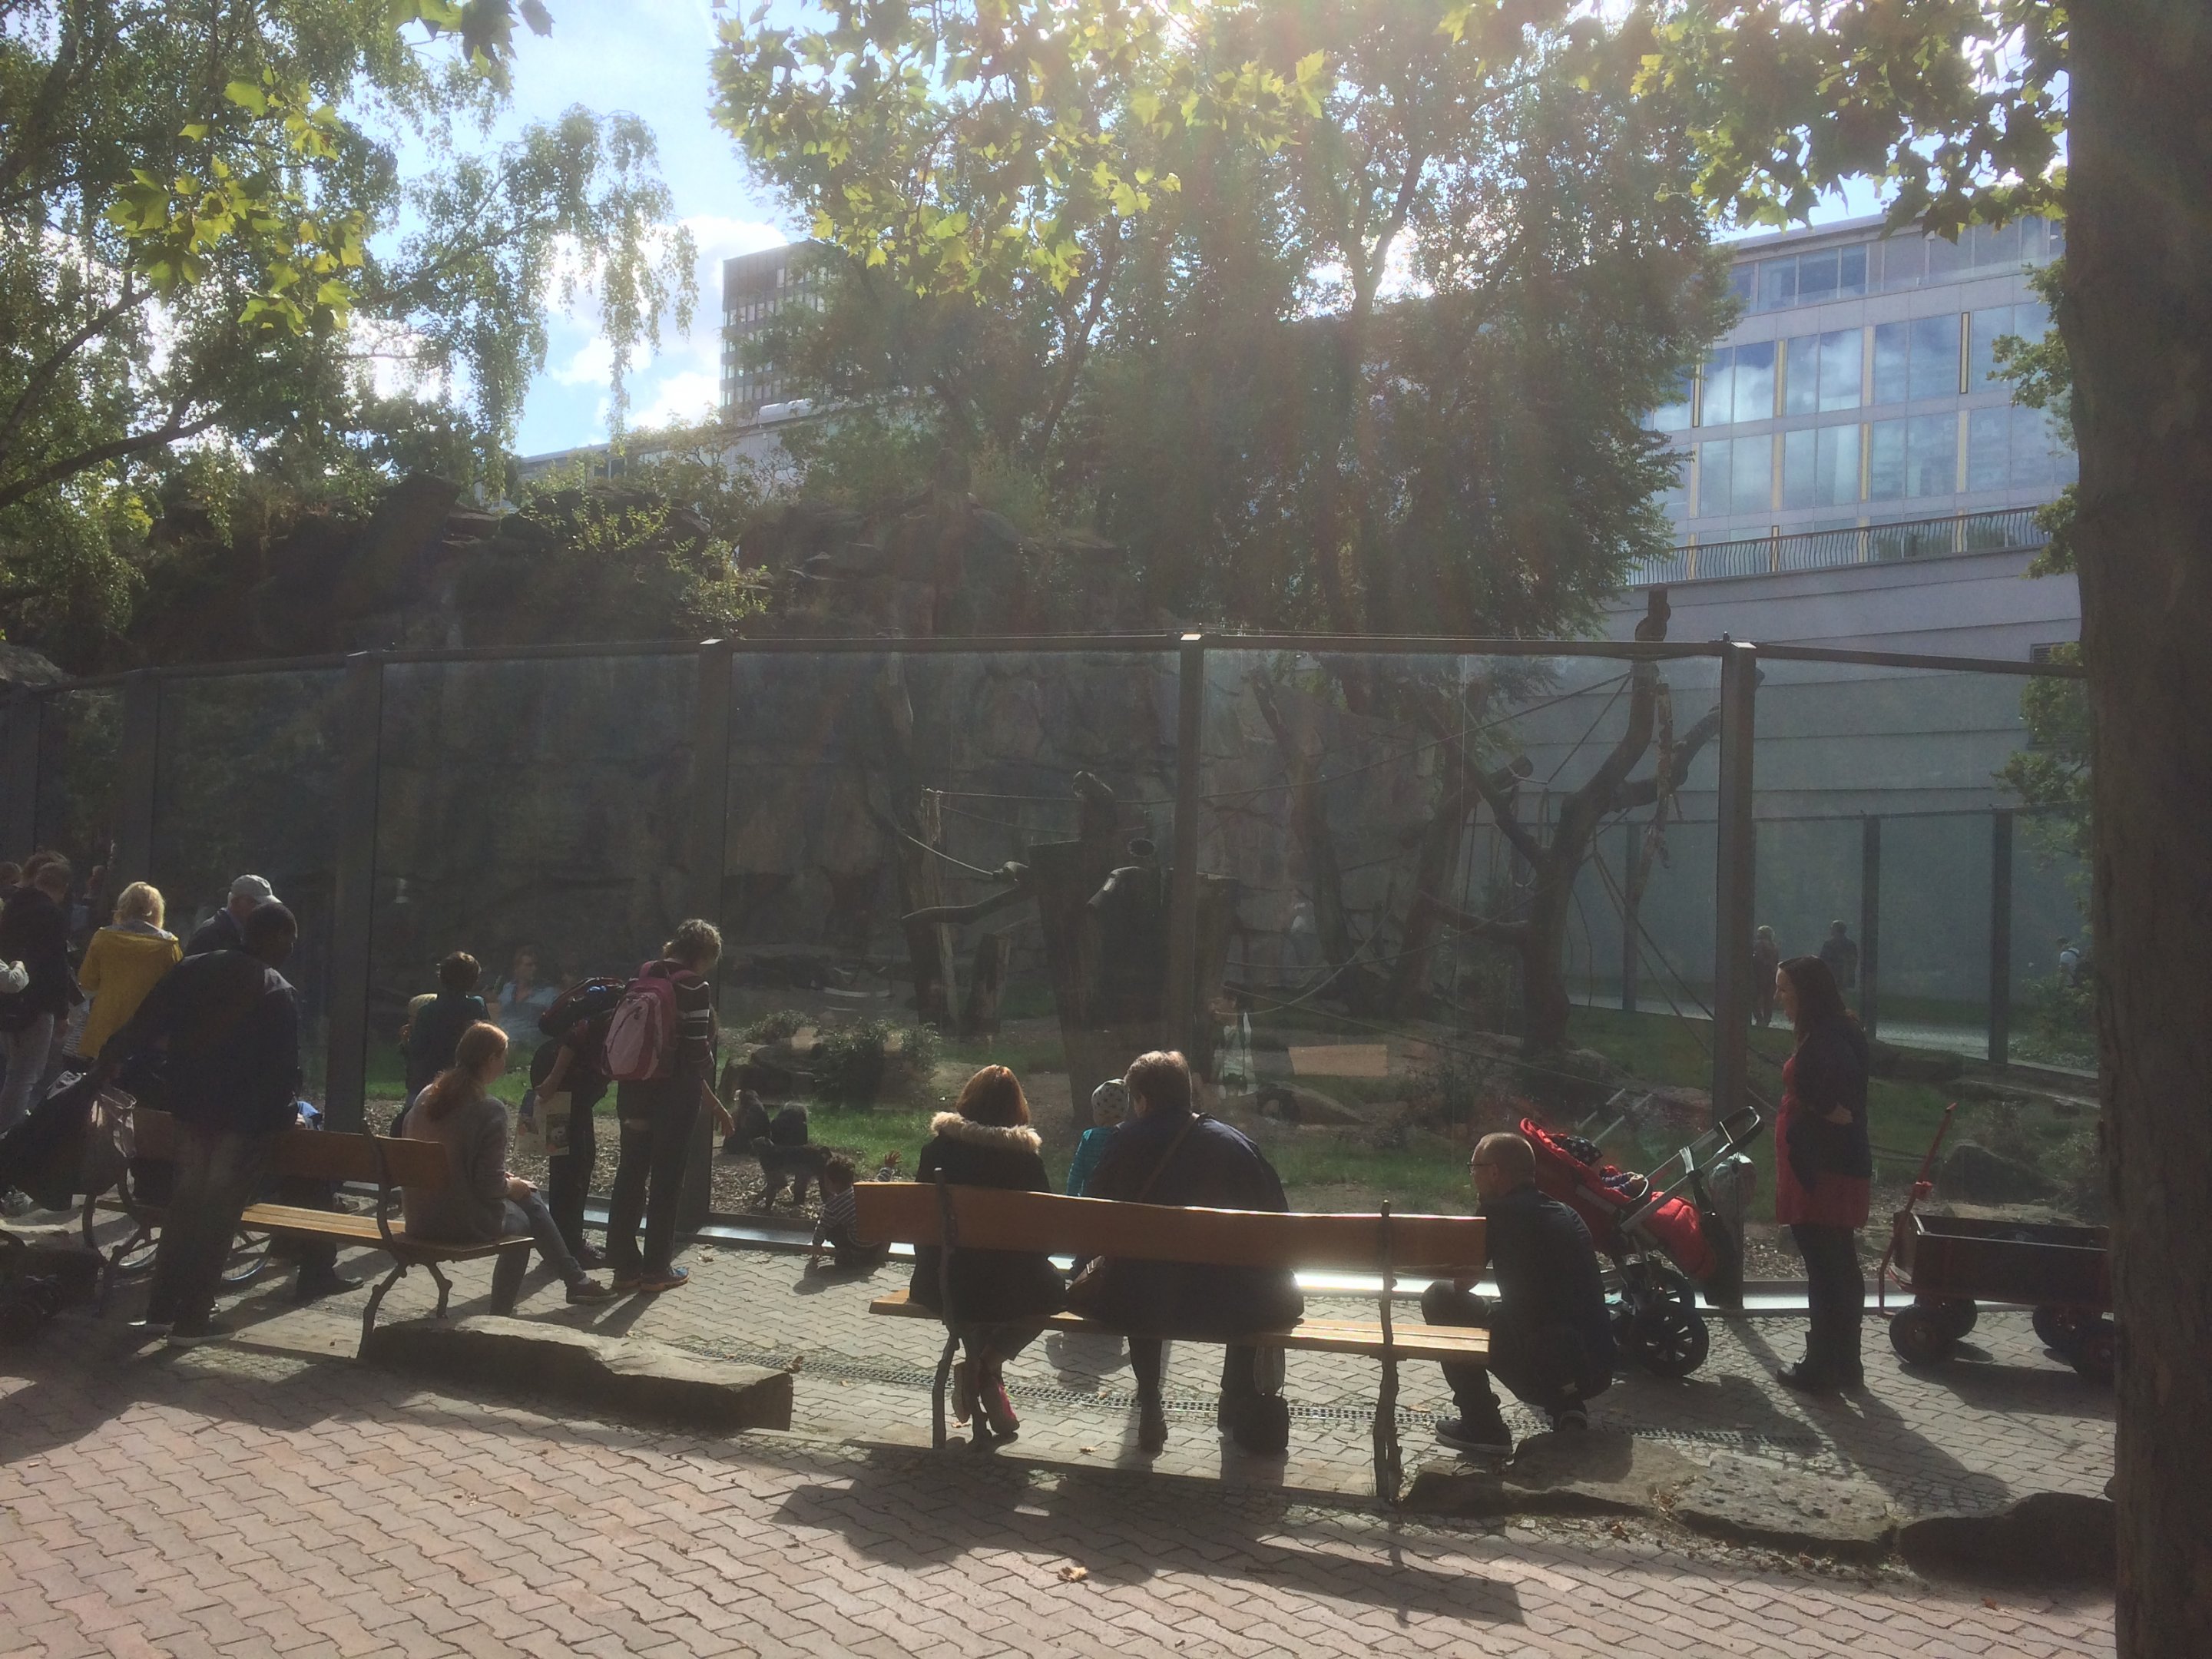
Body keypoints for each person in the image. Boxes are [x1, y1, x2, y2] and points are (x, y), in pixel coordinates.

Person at [97, 901, 303, 1346]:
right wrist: (286, 1118)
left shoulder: (192, 969)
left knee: (184, 1210)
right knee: (219, 1216)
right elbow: (282, 1073)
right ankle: (193, 1319)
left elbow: (145, 1023)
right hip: (242, 1120)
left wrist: (110, 1059)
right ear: (280, 938)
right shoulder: (277, 990)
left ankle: (160, 1311)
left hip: (191, 1110)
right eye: (291, 941)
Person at [1084, 1050, 1303, 1455]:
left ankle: (1150, 1400)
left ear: (1143, 1101)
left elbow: (1092, 1217)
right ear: (1187, 1094)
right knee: (1257, 1282)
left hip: (1141, 1303)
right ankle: (1236, 1397)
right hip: (1231, 1306)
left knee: (1143, 1276)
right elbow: (1279, 1229)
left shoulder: (1123, 1143)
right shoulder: (1237, 1146)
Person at [1419, 1132, 1616, 1456]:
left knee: (1439, 1299)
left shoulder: (1495, 1214)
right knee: (1541, 1308)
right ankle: (1567, 1405)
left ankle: (1482, 1427)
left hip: (1541, 1371)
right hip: (1597, 1368)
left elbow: (1461, 1283)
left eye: (1474, 1167)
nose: (1472, 1175)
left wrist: (1480, 1213)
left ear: (1494, 1171)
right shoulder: (1568, 1214)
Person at [399, 1022, 614, 1303]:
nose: (505, 1063)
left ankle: (576, 1280)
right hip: (460, 1224)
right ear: (491, 1059)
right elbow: (489, 1186)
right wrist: (513, 1185)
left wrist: (510, 1183)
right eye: (503, 1056)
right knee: (525, 1215)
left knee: (526, 1196)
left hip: (419, 1218)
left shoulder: (427, 1096)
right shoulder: (489, 1109)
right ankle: (506, 1311)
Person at [909, 1066, 1065, 1441]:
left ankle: (981, 1371)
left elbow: (920, 1229)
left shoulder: (936, 1151)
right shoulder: (1025, 1162)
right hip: (1008, 1290)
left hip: (942, 1285)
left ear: (967, 1102)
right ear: (1017, 1109)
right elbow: (1045, 1240)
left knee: (974, 1290)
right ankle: (986, 1365)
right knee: (1056, 1293)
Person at [604, 919, 730, 1294]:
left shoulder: (642, 976)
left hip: (634, 1089)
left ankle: (624, 1267)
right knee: (666, 1179)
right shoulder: (694, 985)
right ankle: (657, 1268)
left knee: (630, 1173)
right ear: (704, 954)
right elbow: (695, 1052)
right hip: (674, 1094)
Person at [1773, 954, 1873, 1392]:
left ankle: (1821, 1365)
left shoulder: (1827, 1038)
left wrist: (1823, 1108)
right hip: (1832, 1166)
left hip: (1822, 1170)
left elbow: (1838, 1098)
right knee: (1840, 1265)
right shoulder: (1840, 1027)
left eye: (1785, 990)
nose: (1779, 999)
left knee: (1826, 1267)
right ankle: (1846, 1362)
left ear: (1806, 993)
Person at [531, 975, 624, 1267]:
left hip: (564, 1081)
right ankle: (569, 1248)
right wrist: (552, 1083)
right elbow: (578, 1035)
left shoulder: (629, 1001)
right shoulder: (629, 1008)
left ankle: (562, 1244)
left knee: (569, 1163)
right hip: (565, 1084)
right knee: (575, 1164)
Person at [0, 859, 79, 1132]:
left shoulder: (13, 907)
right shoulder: (53, 915)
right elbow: (56, 968)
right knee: (25, 1075)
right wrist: (62, 1013)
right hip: (37, 1004)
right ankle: (9, 1135)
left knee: (13, 1069)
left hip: (7, 997)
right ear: (64, 888)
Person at [77, 882, 182, 1063]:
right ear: (157, 910)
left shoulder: (103, 937)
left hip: (105, 1024)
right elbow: (178, 990)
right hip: (148, 1029)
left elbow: (87, 981)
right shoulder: (168, 946)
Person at [406, 952, 488, 1101]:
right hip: (465, 1080)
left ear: (441, 977)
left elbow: (416, 1051)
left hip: (431, 1082)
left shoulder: (427, 1011)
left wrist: (406, 1041)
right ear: (474, 980)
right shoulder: (477, 1006)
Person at [807, 1157, 888, 1273]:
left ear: (831, 1183)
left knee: (832, 1230)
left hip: (858, 1244)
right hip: (878, 1240)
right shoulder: (865, 1190)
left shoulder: (833, 1205)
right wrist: (888, 1167)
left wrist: (816, 1244)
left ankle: (848, 1254)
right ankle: (877, 1251)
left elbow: (823, 1226)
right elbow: (881, 1181)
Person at [184, 875, 278, 959]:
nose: (263, 910)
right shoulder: (210, 935)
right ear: (235, 902)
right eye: (257, 904)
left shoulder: (242, 931)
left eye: (266, 905)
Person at [1065, 1078, 1128, 1197]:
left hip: (1091, 1201)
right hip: (1119, 1202)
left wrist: (1071, 1198)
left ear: (1100, 1114)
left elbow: (1076, 1173)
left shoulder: (1090, 1137)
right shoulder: (1127, 1137)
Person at [489, 946, 557, 1048]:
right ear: (517, 968)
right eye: (529, 965)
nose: (534, 969)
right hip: (501, 1043)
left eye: (536, 965)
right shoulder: (507, 989)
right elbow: (498, 1012)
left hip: (528, 1046)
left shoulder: (549, 993)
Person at [1817, 920, 1859, 993]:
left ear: (1836, 930)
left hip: (1832, 976)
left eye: (1832, 928)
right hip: (1845, 976)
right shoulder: (1851, 944)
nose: (1830, 929)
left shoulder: (1829, 944)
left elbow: (1823, 961)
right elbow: (1854, 960)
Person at [1751, 926, 1781, 1027]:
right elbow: (1777, 961)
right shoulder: (1774, 946)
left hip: (1759, 975)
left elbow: (1757, 958)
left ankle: (1759, 1019)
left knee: (1754, 998)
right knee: (1768, 1000)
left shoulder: (1759, 944)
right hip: (1772, 975)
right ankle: (1767, 1020)